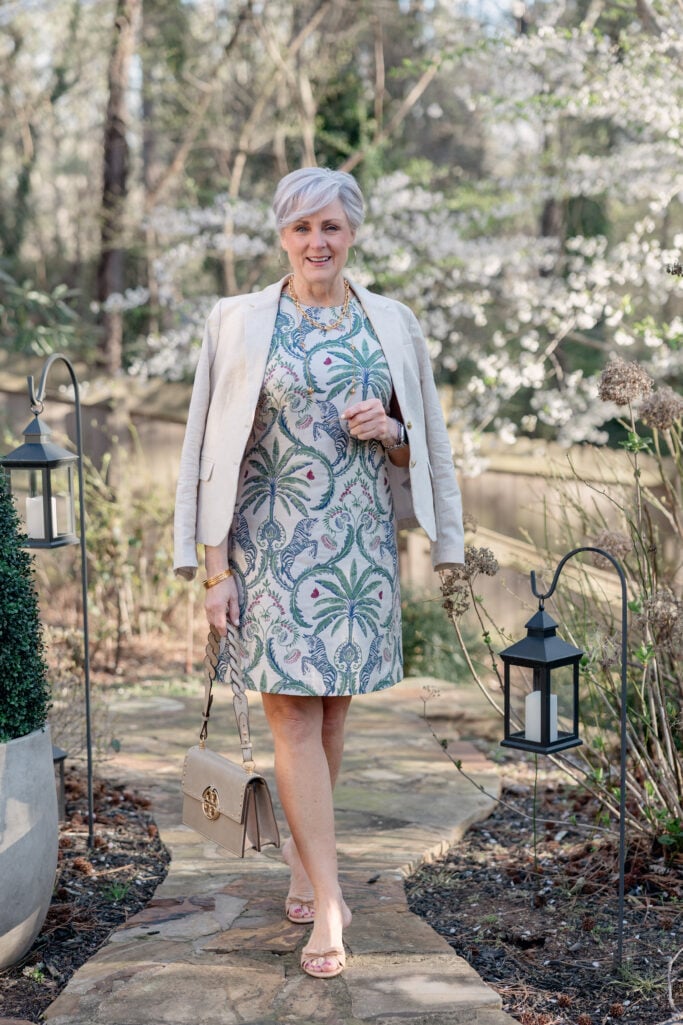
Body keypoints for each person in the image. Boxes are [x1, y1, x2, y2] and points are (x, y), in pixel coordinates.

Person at [174, 167, 464, 979]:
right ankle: (330, 905)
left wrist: (390, 427)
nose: (317, 243)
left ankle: (307, 861)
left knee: (332, 714)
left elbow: (424, 446)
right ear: (281, 236)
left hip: (357, 548)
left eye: (330, 226)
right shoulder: (236, 322)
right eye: (302, 229)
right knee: (292, 719)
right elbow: (206, 450)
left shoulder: (392, 323)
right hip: (267, 547)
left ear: (353, 232)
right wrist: (212, 569)